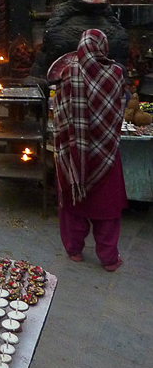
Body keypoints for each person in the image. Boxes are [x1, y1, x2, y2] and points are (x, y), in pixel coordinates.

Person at [48, 28, 127, 271]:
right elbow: (117, 110)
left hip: (73, 153)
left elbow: (59, 110)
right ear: (103, 47)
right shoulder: (115, 73)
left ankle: (74, 250)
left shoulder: (68, 72)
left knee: (73, 201)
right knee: (107, 207)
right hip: (104, 153)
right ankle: (109, 259)